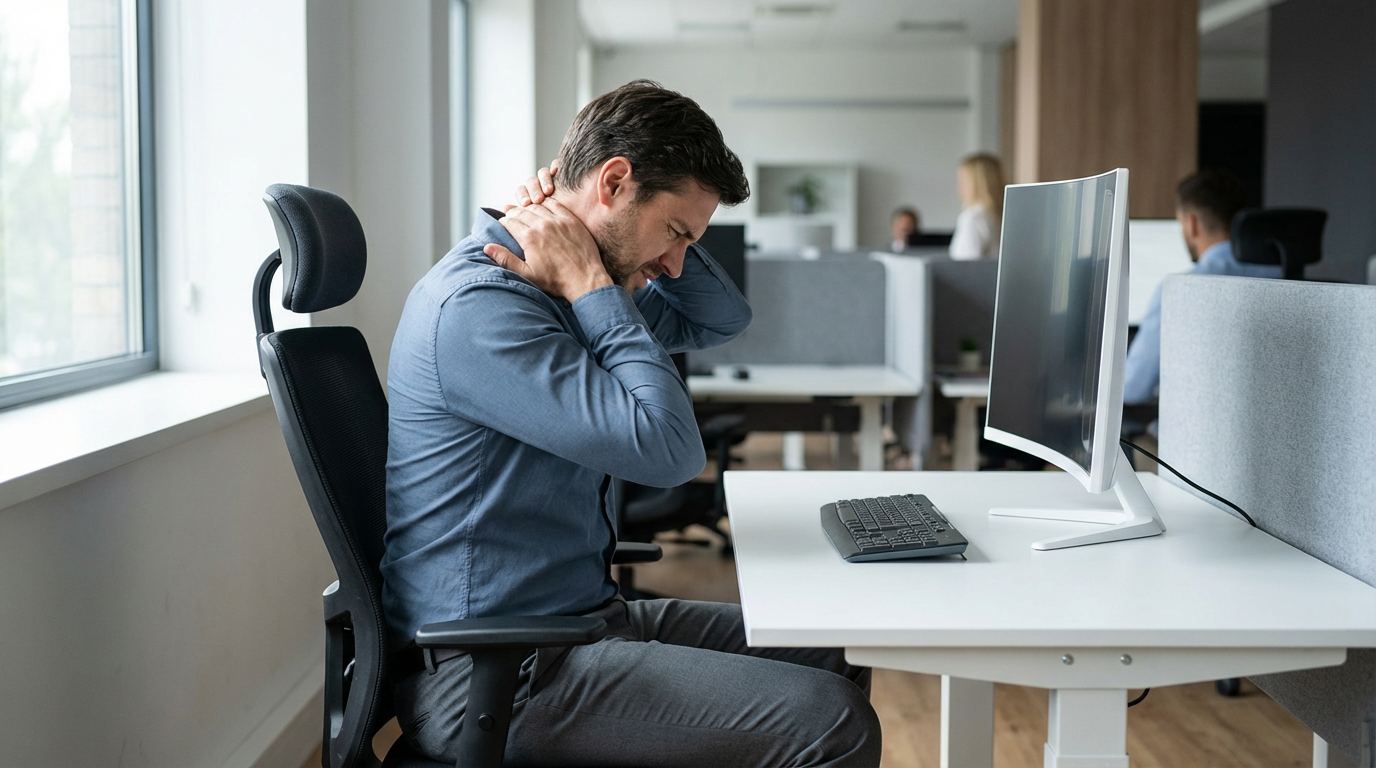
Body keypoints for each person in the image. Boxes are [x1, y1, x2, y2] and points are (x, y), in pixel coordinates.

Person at [384, 80, 881, 766]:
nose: (676, 264)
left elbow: (722, 318)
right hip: (496, 672)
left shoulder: (562, 288)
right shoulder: (485, 307)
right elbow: (669, 450)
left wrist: (593, 257)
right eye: (676, 232)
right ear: (615, 181)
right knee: (832, 720)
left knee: (837, 651)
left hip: (575, 624)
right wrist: (592, 284)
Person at [1122, 169, 1281, 404]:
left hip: (1190, 434)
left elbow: (1133, 389)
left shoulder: (1179, 291)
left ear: (1192, 223)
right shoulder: (1283, 278)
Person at [949, 153, 1005, 260]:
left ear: (974, 184)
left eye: (962, 181)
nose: (958, 186)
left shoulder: (972, 218)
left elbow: (965, 266)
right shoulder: (1003, 216)